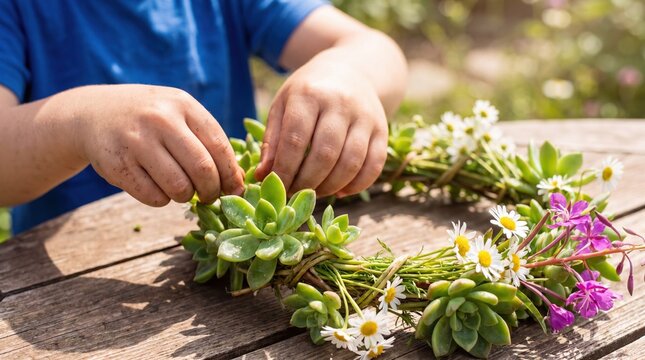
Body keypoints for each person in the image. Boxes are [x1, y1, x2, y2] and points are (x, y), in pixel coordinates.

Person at [0, 0, 407, 234]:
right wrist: (82, 121)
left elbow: (373, 47)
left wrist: (348, 72)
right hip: (72, 286)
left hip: (232, 249)